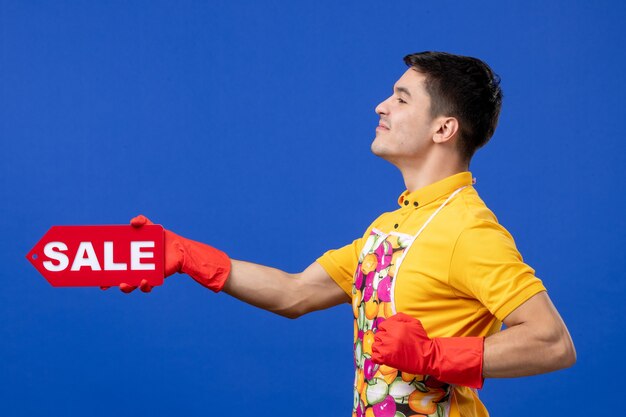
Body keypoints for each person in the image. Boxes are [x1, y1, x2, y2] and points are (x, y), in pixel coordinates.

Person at [115, 51, 576, 417]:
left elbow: (551, 342)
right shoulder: (388, 228)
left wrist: (435, 356)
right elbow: (293, 292)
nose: (381, 105)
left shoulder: (468, 229)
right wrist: (187, 255)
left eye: (402, 98)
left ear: (444, 128)